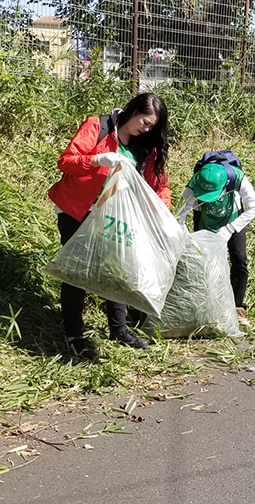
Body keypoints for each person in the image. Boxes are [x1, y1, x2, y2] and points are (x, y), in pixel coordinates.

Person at [48, 93, 170, 358]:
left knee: (116, 269)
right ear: (132, 110)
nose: (145, 128)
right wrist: (99, 160)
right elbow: (66, 161)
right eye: (144, 121)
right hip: (77, 210)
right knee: (77, 272)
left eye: (151, 126)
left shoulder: (143, 146)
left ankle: (119, 328)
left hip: (115, 213)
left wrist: (164, 214)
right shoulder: (97, 126)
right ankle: (74, 335)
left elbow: (158, 186)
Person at [175, 154, 255, 327]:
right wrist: (185, 235)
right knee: (206, 263)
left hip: (233, 218)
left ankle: (237, 306)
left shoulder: (236, 177)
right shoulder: (195, 183)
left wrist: (230, 229)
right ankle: (209, 305)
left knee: (239, 259)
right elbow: (180, 214)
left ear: (226, 185)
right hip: (205, 219)